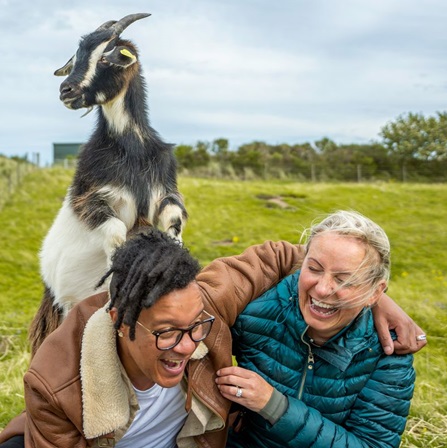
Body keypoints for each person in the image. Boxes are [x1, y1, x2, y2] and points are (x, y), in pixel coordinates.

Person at [0, 225, 425, 448]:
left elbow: (286, 256)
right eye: (166, 333)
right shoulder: (57, 385)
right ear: (120, 320)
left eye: (194, 329)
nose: (188, 346)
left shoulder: (206, 308)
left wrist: (369, 297)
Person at [216, 210, 418, 448]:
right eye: (314, 268)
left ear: (375, 292)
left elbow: (373, 445)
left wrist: (275, 406)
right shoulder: (259, 308)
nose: (322, 289)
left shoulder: (388, 357)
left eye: (345, 279)